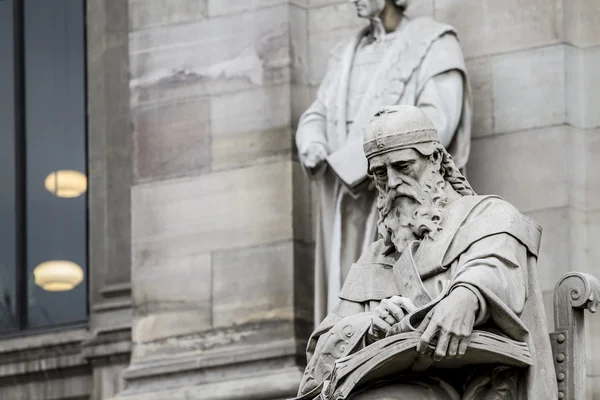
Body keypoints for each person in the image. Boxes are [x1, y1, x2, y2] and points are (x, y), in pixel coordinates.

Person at [295, 105, 556, 399]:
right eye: (380, 173)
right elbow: (321, 350)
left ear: (434, 159)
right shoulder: (376, 255)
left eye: (403, 166)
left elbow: (495, 270)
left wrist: (466, 296)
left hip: (477, 386)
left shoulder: (489, 215)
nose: (392, 183)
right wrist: (370, 327)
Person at [296, 0, 472, 323]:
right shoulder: (346, 53)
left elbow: (436, 124)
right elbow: (320, 110)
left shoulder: (435, 43)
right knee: (346, 296)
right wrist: (311, 141)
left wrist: (366, 160)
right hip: (343, 200)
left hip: (399, 196)